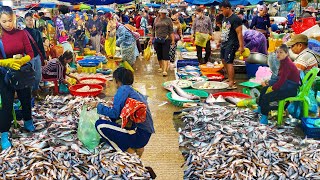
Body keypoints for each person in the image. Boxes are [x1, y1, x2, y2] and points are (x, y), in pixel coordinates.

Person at [95, 67, 155, 157]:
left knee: (99, 125)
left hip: (139, 135)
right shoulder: (133, 91)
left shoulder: (123, 89)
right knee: (112, 120)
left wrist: (98, 106)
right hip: (144, 133)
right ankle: (135, 145)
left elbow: (115, 113)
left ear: (117, 81)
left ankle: (128, 151)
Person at [0, 6, 34, 150]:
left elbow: (30, 53)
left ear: (14, 18)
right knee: (7, 104)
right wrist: (6, 62)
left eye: (10, 20)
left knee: (25, 98)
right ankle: (4, 134)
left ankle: (28, 121)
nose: (8, 24)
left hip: (21, 73)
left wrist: (21, 60)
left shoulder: (22, 33)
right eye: (4, 21)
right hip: (4, 75)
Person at [257, 44, 300, 125]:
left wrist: (273, 88)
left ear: (286, 53)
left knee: (266, 97)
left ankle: (264, 118)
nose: (278, 54)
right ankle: (260, 109)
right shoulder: (283, 61)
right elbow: (279, 78)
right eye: (277, 52)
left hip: (290, 90)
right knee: (263, 90)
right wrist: (270, 85)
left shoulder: (287, 64)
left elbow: (282, 80)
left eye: (281, 52)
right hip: (285, 86)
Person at [220, 0, 244, 89]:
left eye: (222, 10)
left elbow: (239, 33)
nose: (221, 12)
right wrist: (220, 40)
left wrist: (241, 46)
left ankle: (232, 82)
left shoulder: (235, 19)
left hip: (232, 43)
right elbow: (224, 30)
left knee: (229, 62)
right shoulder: (225, 18)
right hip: (224, 43)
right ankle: (229, 78)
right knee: (223, 60)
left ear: (228, 8)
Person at [24, 12, 46, 98]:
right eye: (27, 20)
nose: (29, 22)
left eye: (31, 20)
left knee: (38, 76)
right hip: (27, 58)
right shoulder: (22, 33)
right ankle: (29, 94)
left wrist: (44, 57)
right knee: (28, 77)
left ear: (34, 20)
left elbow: (41, 45)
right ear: (25, 21)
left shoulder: (37, 32)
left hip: (36, 57)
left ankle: (35, 92)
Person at [149, 7, 174, 77]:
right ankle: (161, 67)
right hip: (157, 39)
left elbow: (171, 31)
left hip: (166, 39)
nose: (163, 14)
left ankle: (165, 70)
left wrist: (173, 40)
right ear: (159, 13)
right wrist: (151, 39)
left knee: (165, 55)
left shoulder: (169, 20)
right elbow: (153, 30)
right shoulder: (156, 20)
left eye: (164, 13)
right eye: (162, 13)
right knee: (159, 54)